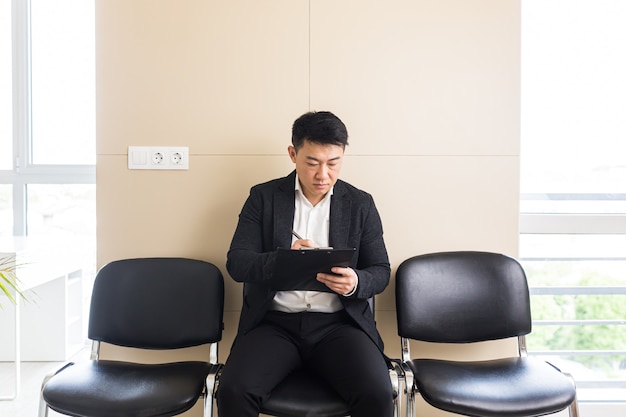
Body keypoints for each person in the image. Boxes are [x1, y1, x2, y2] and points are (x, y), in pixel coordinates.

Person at [216, 110, 394, 417]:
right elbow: (237, 262)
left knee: (377, 393)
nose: (323, 174)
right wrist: (282, 261)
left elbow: (380, 270)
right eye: (312, 162)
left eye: (333, 163)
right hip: (274, 324)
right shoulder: (263, 197)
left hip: (339, 325)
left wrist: (355, 283)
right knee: (233, 390)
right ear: (293, 154)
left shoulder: (360, 203)